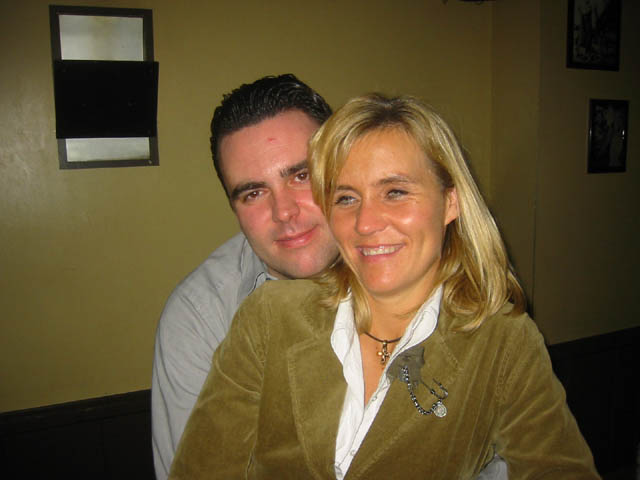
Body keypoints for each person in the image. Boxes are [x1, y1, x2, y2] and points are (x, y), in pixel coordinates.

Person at [169, 93, 600, 479]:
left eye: (394, 192)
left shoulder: (504, 341)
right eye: (346, 198)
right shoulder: (269, 316)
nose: (366, 222)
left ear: (450, 201)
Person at [151, 74, 339, 479]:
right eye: (253, 192)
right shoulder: (199, 319)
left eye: (301, 175)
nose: (284, 212)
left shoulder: (410, 263)